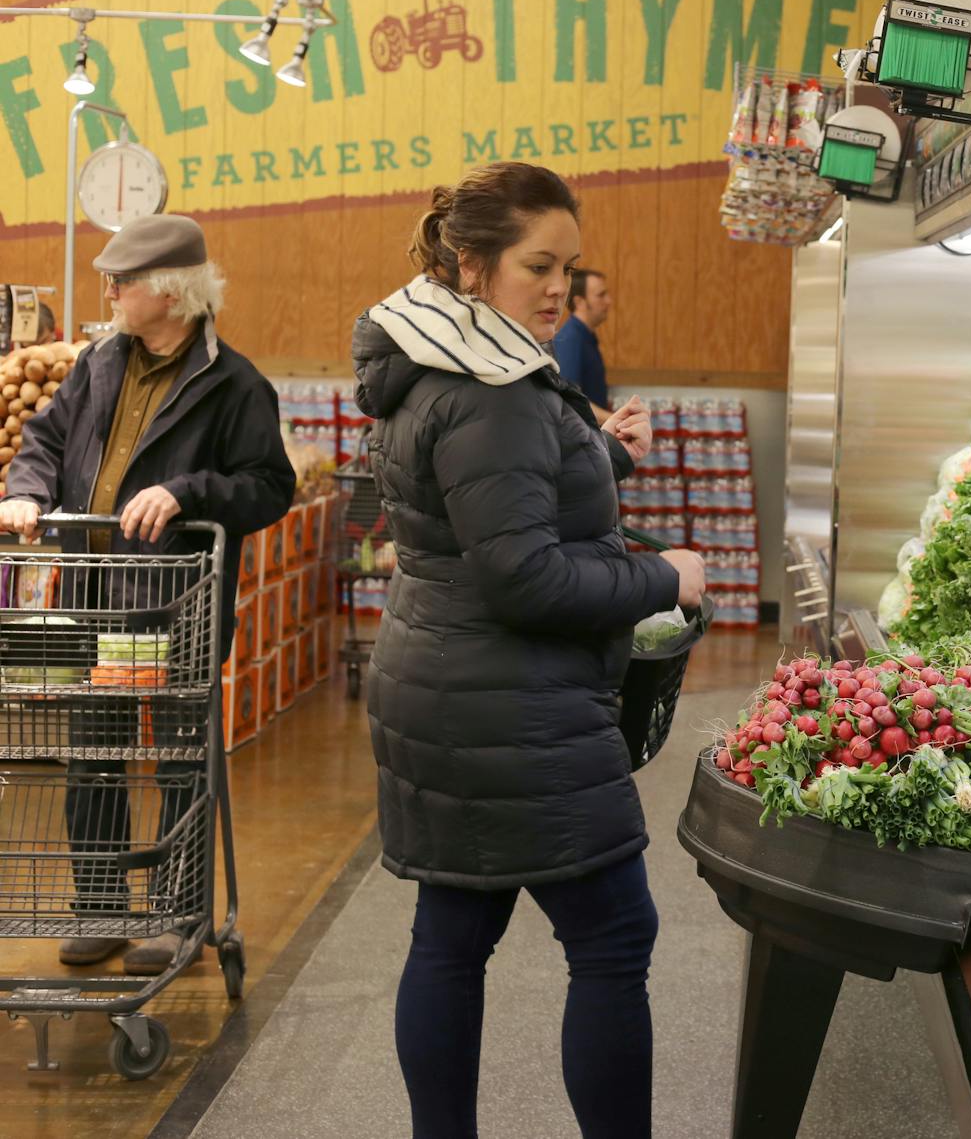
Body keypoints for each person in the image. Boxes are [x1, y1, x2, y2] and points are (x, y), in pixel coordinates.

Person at [351, 162, 705, 1139]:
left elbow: (500, 519)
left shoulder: (443, 363)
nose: (557, 288)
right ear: (471, 267)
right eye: (536, 267)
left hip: (446, 685)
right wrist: (661, 578)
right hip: (509, 706)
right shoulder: (493, 388)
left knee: (453, 934)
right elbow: (526, 578)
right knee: (611, 936)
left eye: (568, 267)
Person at [0, 214, 295, 974]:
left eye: (121, 281)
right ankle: (102, 908)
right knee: (94, 755)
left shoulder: (234, 383)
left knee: (177, 758)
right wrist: (28, 491)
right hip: (97, 598)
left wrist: (186, 489)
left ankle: (175, 915)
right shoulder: (100, 362)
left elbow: (269, 487)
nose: (108, 291)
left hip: (175, 603)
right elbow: (42, 440)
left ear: (169, 291)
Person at [552, 266, 612, 421]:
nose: (608, 301)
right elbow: (569, 401)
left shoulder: (584, 336)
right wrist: (614, 421)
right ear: (579, 302)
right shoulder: (570, 339)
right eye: (601, 295)